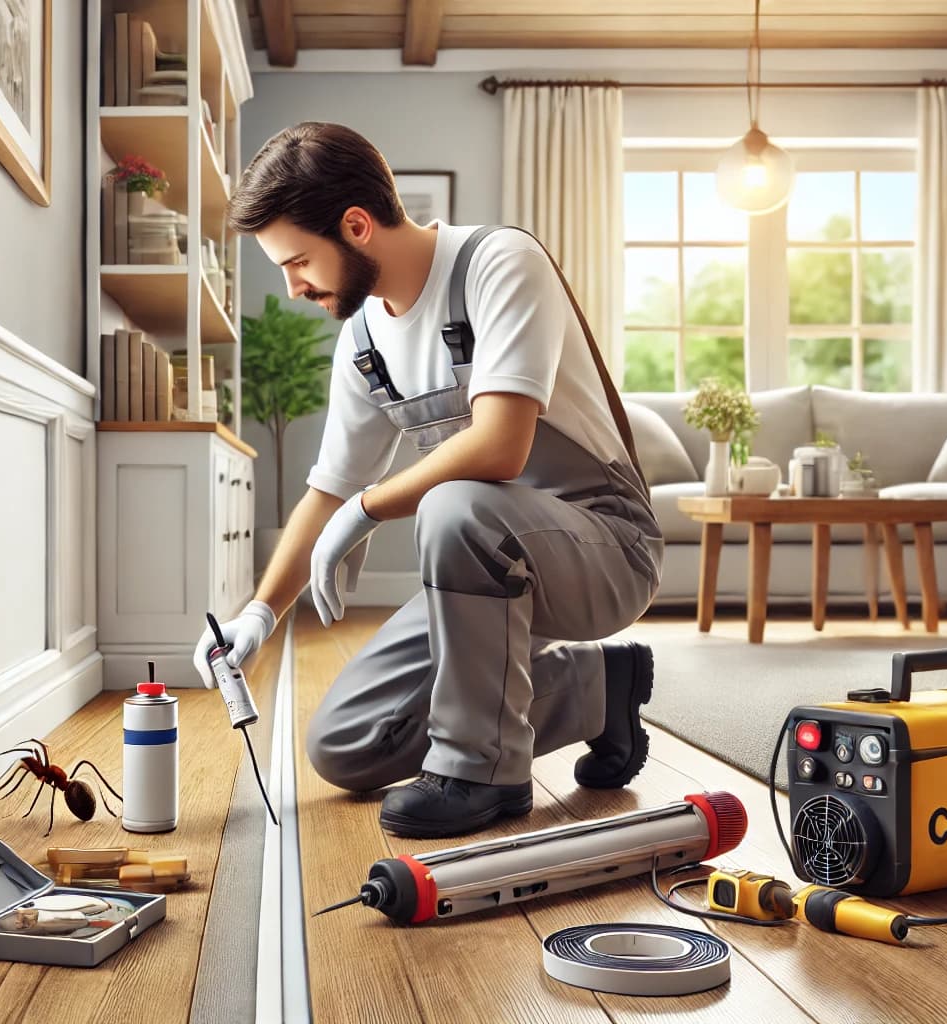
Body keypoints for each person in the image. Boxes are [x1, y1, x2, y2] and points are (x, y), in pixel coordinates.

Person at [192, 122, 662, 839]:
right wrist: (257, 615)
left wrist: (372, 506)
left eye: (297, 262)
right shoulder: (364, 339)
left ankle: (484, 773)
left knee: (456, 507)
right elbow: (328, 487)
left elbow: (500, 446)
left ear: (355, 226)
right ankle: (598, 690)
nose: (292, 289)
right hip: (485, 566)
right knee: (346, 744)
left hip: (603, 549)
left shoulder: (498, 261)